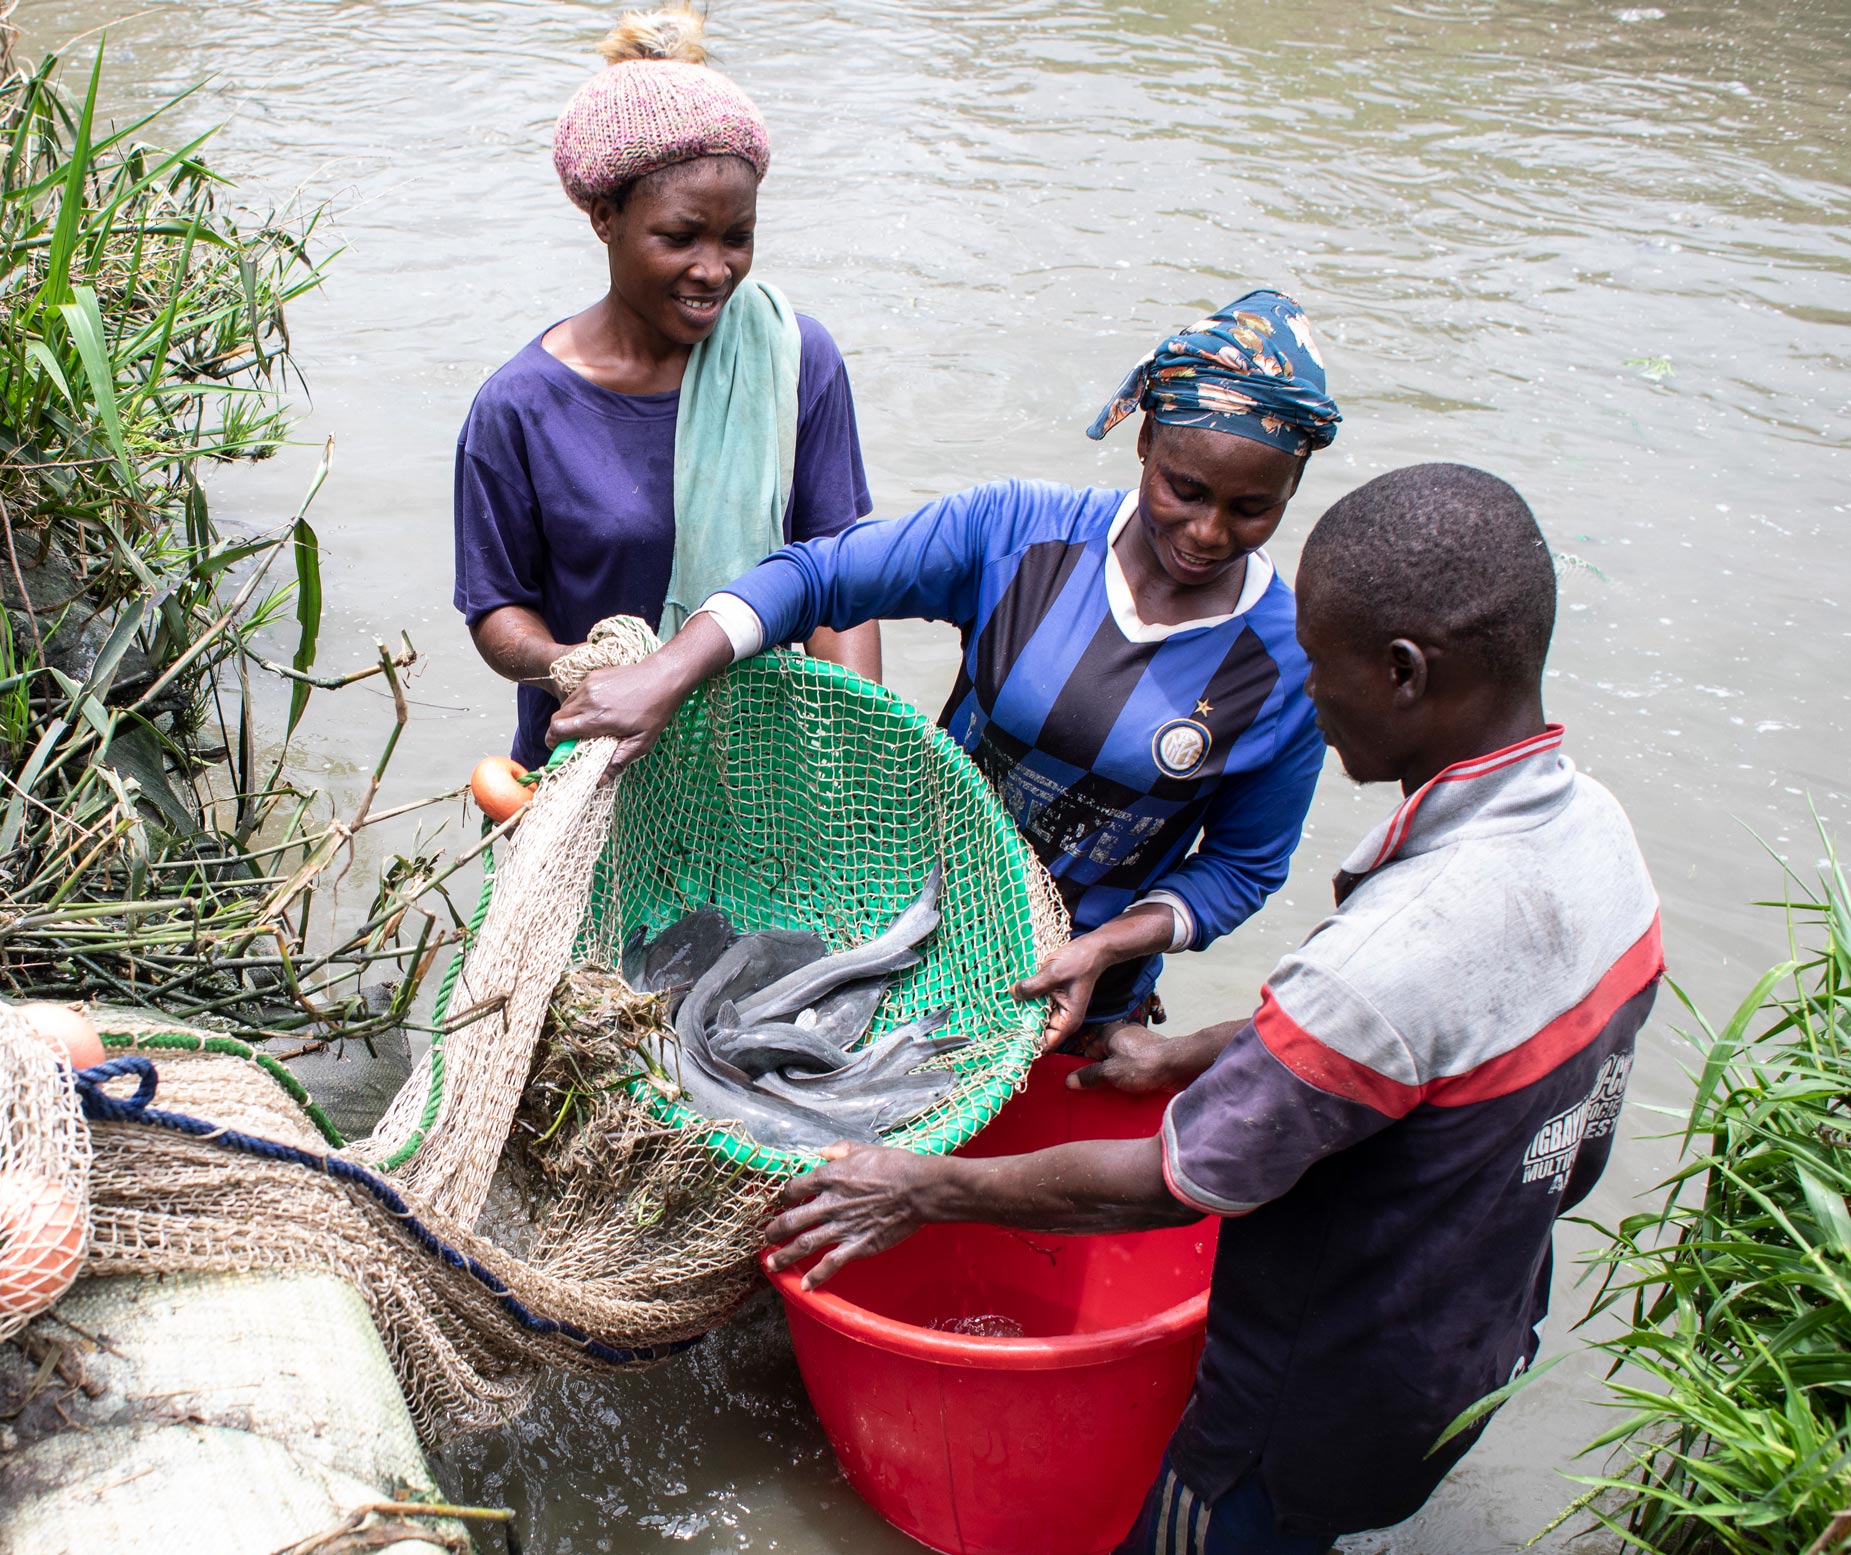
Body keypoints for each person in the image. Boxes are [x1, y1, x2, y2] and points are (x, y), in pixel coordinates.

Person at [763, 464, 1664, 1553]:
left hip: (1306, 1403)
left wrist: (923, 1186)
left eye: (1320, 670)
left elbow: (1167, 1182)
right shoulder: (1596, 837)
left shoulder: (1385, 955)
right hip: (1477, 1339)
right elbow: (1441, 1052)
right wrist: (1184, 1054)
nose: (1306, 694)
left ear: (1404, 674)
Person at [548, 290, 1341, 1046]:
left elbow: (1242, 866)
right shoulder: (1017, 533)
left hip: (1079, 1007)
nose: (1206, 531)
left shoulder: (1291, 663)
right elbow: (816, 576)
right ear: (1144, 443)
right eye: (1184, 488)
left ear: (1290, 491)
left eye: (1249, 509)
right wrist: (669, 670)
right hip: (900, 940)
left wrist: (1110, 946)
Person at [455, 8, 880, 769]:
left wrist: (855, 750)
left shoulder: (791, 360)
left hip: (763, 773)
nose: (713, 269)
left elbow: (837, 578)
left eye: (736, 237)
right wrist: (572, 666)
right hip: (588, 762)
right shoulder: (520, 407)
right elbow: (496, 611)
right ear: (604, 216)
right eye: (680, 237)